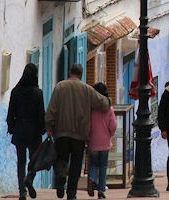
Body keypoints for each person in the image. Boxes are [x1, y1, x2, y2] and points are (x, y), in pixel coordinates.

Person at [45, 64, 110, 200]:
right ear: (81, 74)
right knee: (75, 164)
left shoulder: (59, 87)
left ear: (70, 72)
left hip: (61, 132)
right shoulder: (86, 89)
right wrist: (108, 100)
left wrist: (49, 126)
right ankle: (71, 193)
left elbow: (51, 110)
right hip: (79, 135)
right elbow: (103, 104)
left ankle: (61, 179)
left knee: (61, 159)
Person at [7, 63, 45, 200]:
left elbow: (10, 113)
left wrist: (11, 128)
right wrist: (43, 129)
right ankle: (29, 179)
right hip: (34, 131)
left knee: (21, 161)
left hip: (20, 129)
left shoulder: (15, 92)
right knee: (34, 160)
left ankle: (22, 191)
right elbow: (41, 114)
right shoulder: (38, 93)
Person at [87, 83, 116, 199]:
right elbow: (113, 126)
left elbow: (87, 124)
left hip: (93, 141)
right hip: (105, 142)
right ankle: (101, 190)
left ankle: (92, 179)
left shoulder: (90, 108)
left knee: (93, 163)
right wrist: (110, 134)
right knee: (103, 166)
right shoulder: (109, 108)